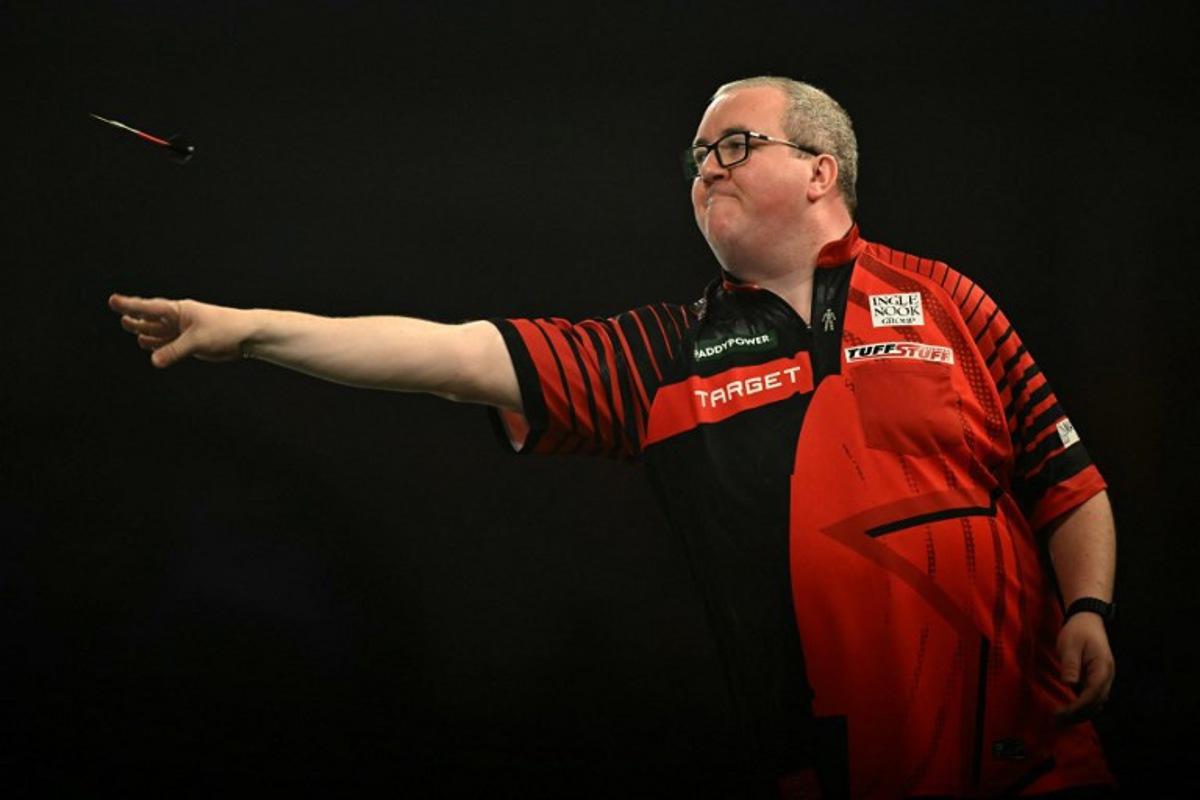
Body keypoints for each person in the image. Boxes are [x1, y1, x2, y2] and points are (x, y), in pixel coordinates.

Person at [109, 77, 1116, 798]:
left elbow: (1066, 480)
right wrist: (248, 332)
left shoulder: (950, 301)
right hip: (830, 769)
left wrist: (1088, 604)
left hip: (1034, 758)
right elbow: (459, 357)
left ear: (820, 170)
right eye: (693, 159)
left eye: (731, 146)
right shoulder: (665, 356)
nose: (702, 170)